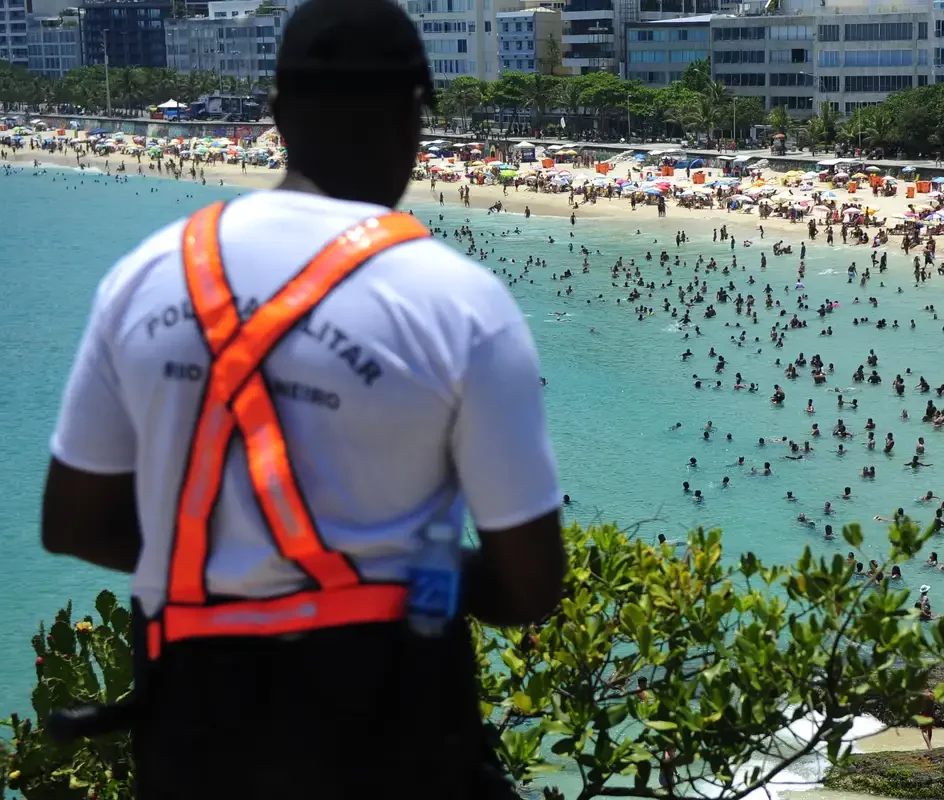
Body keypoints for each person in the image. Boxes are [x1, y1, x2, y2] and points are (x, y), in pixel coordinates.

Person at [38, 2, 566, 796]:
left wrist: (239, 565)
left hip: (193, 744)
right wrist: (399, 568)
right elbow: (529, 586)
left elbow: (73, 523)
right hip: (392, 739)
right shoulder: (458, 302)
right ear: (412, 117)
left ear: (277, 114)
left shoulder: (146, 276)